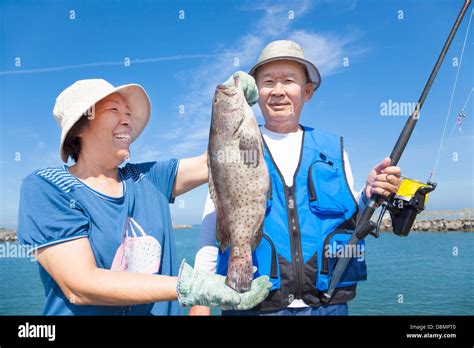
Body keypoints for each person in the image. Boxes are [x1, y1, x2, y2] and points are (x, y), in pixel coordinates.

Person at [17, 79, 271, 315]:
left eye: (128, 113)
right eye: (114, 110)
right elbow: (80, 285)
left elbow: (220, 159)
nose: (127, 119)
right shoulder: (48, 187)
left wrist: (232, 99)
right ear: (79, 127)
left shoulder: (150, 178)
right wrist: (190, 287)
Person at [190, 40, 402, 316]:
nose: (278, 91)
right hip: (254, 306)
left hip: (328, 306)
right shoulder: (231, 146)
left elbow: (352, 218)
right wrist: (200, 302)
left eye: (288, 81)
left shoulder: (333, 150)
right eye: (268, 82)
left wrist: (369, 193)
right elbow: (212, 228)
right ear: (255, 91)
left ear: (307, 91)